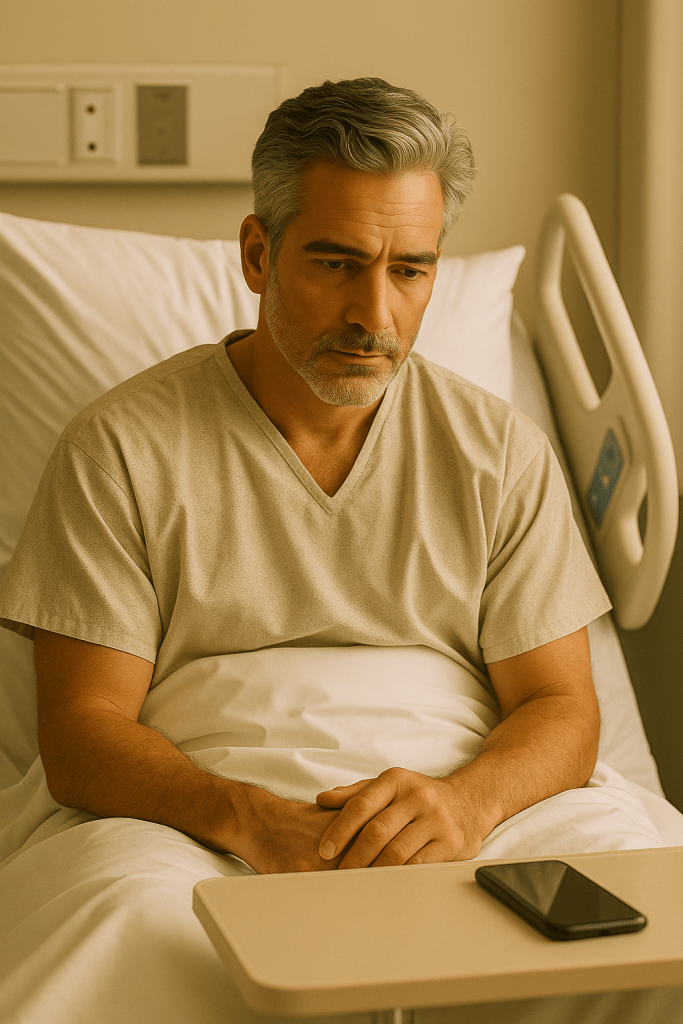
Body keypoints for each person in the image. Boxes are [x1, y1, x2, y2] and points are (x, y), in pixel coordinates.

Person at [0, 77, 613, 879]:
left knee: (631, 917)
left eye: (409, 272)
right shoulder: (120, 451)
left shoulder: (499, 455)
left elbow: (560, 707)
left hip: (466, 811)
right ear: (259, 255)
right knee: (138, 935)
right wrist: (243, 817)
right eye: (337, 263)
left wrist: (467, 804)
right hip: (191, 822)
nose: (374, 315)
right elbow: (82, 731)